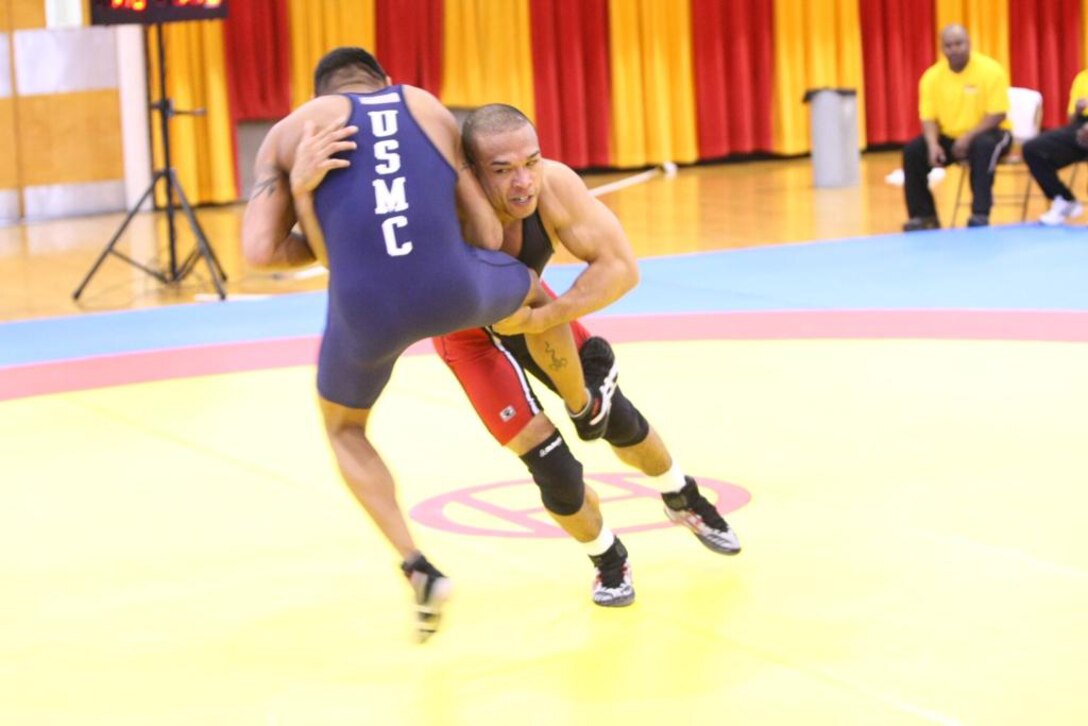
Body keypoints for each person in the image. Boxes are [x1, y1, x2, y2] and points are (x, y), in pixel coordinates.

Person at [241, 48, 613, 642]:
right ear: (383, 82)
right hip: (459, 293)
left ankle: (416, 564)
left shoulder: (291, 133)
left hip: (365, 310)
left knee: (344, 430)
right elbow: (489, 233)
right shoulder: (423, 104)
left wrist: (312, 196)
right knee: (536, 291)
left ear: (314, 96)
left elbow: (260, 253)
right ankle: (582, 400)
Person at [432, 104, 742, 608]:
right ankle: (608, 557)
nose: (524, 183)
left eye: (531, 162)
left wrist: (544, 319)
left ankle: (681, 493)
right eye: (503, 170)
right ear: (471, 172)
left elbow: (621, 267)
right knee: (555, 470)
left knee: (615, 420)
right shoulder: (443, 211)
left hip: (533, 310)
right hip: (468, 336)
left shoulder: (554, 186)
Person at [902, 24, 1012, 231]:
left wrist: (968, 137)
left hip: (990, 132)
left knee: (983, 147)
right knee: (913, 151)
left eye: (959, 44)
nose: (954, 49)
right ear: (942, 48)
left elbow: (998, 113)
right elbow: (928, 117)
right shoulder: (932, 77)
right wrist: (933, 145)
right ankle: (924, 216)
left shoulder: (991, 70)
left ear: (969, 43)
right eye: (948, 45)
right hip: (950, 136)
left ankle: (980, 213)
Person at [1023, 68, 1088, 226]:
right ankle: (1064, 199)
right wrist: (1078, 110)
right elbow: (1071, 120)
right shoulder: (1083, 77)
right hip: (1081, 128)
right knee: (1033, 149)